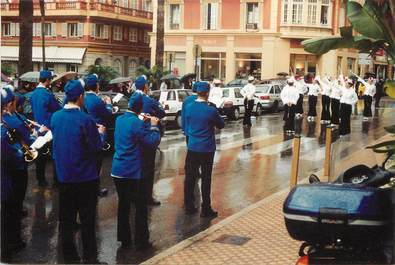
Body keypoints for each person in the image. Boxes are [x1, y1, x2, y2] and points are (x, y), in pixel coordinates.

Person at [51, 80, 105, 264]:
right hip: (85, 178)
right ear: (80, 97)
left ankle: (69, 258)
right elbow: (96, 147)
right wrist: (102, 133)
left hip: (64, 177)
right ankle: (90, 259)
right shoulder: (86, 120)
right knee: (88, 222)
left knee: (66, 221)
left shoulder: (55, 117)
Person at [111, 93, 161, 250]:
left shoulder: (120, 120)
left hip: (117, 170)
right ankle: (142, 240)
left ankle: (124, 239)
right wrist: (153, 125)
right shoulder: (137, 123)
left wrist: (143, 121)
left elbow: (132, 131)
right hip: (132, 172)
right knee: (140, 206)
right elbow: (151, 142)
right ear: (140, 108)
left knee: (124, 205)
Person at [183, 82, 225, 217]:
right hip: (206, 148)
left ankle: (189, 205)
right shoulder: (210, 110)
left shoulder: (189, 107)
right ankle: (205, 208)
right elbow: (221, 124)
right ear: (207, 93)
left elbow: (186, 123)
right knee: (206, 178)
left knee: (190, 177)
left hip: (192, 146)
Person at [1, 87, 32, 256]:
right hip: (15, 172)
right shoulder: (7, 127)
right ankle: (12, 243)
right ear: (9, 104)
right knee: (13, 208)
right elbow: (24, 146)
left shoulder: (9, 121)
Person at [134, 76, 166, 206]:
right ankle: (147, 196)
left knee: (136, 166)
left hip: (133, 135)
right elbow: (162, 113)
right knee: (148, 167)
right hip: (147, 135)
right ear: (146, 86)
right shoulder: (148, 100)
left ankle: (135, 195)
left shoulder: (132, 98)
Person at [30, 70, 61, 187]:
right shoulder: (47, 95)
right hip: (49, 129)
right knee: (54, 155)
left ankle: (41, 180)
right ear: (47, 80)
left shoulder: (33, 94)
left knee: (40, 156)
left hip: (38, 128)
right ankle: (56, 181)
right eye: (50, 80)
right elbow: (57, 109)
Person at [84, 74, 112, 197]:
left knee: (88, 162)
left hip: (86, 133)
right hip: (98, 133)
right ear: (96, 85)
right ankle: (95, 189)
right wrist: (109, 103)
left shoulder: (84, 98)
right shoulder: (96, 100)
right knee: (97, 163)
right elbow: (107, 114)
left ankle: (88, 187)